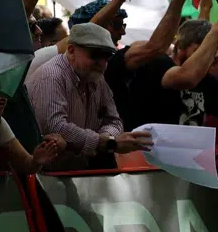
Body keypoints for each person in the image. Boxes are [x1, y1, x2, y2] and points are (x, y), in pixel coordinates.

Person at [121, 14, 218, 191]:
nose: (203, 60)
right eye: (198, 52)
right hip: (142, 171)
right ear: (180, 49)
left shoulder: (207, 82)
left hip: (185, 175)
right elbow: (186, 77)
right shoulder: (157, 65)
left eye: (208, 52)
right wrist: (215, 35)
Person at [26, 22, 151, 171]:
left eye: (107, 56)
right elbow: (56, 126)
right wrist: (104, 142)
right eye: (96, 55)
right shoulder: (52, 77)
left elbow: (114, 120)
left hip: (79, 171)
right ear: (71, 51)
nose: (102, 63)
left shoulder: (97, 78)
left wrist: (107, 139)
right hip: (47, 175)